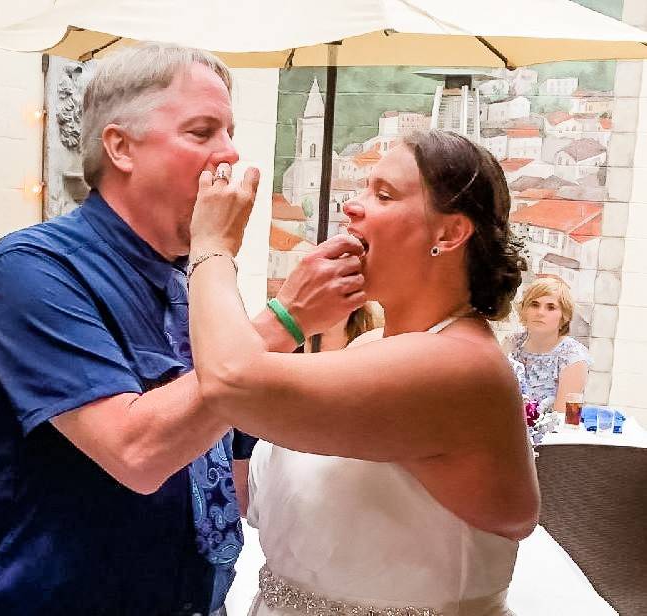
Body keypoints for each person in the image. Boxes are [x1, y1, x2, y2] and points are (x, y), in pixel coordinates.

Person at [0, 43, 363, 616]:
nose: (228, 155)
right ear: (120, 146)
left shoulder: (195, 275)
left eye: (229, 131)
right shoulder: (32, 269)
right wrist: (285, 319)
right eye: (202, 132)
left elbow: (237, 449)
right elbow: (137, 451)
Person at [186, 130, 540, 615]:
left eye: (384, 194)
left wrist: (211, 245)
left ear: (449, 233)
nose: (352, 207)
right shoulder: (371, 346)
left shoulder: (460, 366)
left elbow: (230, 381)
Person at [504, 276, 591, 412]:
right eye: (534, 304)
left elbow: (562, 419)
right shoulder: (511, 344)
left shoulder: (573, 357)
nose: (540, 313)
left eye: (551, 307)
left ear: (564, 315)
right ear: (524, 309)